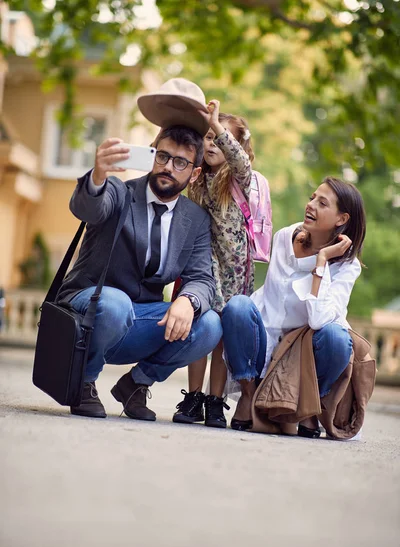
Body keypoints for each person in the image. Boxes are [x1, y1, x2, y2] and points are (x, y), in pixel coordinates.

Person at [57, 122, 222, 419]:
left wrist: (188, 300)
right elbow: (87, 208)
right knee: (117, 304)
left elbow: (202, 278)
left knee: (210, 324)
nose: (168, 167)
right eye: (162, 156)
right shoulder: (121, 192)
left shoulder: (195, 219)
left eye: (180, 161)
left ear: (195, 173)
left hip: (139, 322)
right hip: (88, 311)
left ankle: (135, 384)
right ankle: (83, 381)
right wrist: (98, 175)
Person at [221, 176, 367, 434]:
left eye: (322, 203)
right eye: (312, 198)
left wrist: (322, 261)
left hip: (303, 355)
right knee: (237, 307)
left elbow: (319, 320)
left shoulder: (347, 265)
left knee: (336, 338)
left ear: (341, 219)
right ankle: (248, 394)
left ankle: (309, 404)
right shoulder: (284, 237)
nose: (311, 205)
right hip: (263, 341)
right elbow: (273, 302)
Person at [172, 99, 255, 429]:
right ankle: (193, 397)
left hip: (233, 274)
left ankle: (215, 401)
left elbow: (238, 159)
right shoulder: (195, 177)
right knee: (202, 332)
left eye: (218, 137)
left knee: (222, 340)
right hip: (201, 270)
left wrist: (217, 125)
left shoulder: (239, 179)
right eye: (206, 136)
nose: (211, 142)